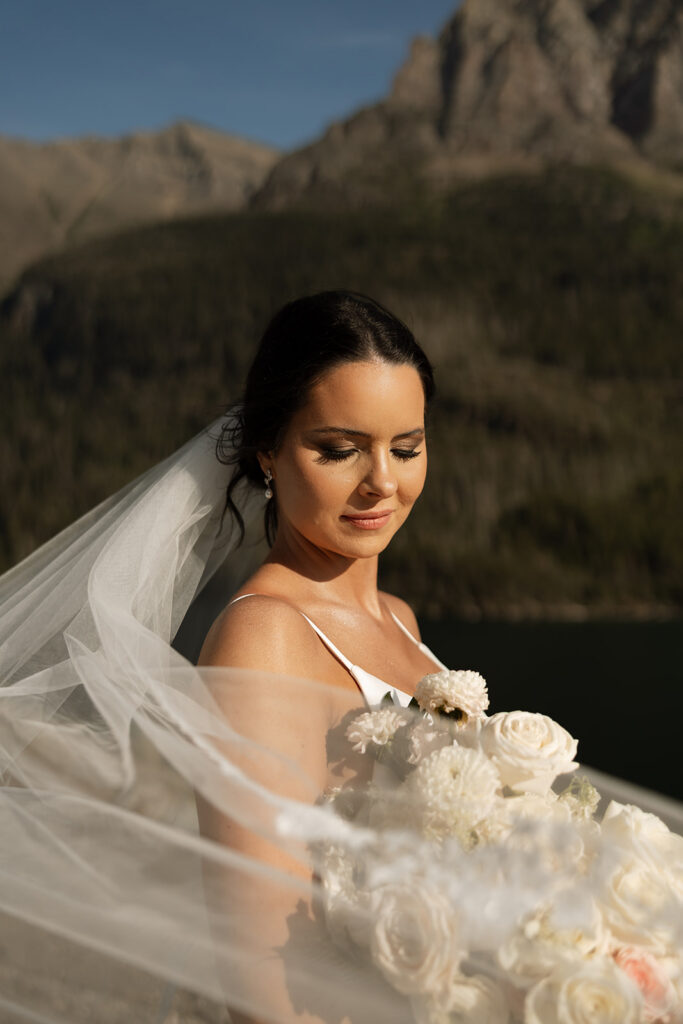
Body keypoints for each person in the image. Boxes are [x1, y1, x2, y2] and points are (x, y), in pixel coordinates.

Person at [193, 290, 447, 1023]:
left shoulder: (398, 618)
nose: (383, 482)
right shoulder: (264, 636)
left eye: (406, 447)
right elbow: (263, 966)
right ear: (267, 452)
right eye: (339, 450)